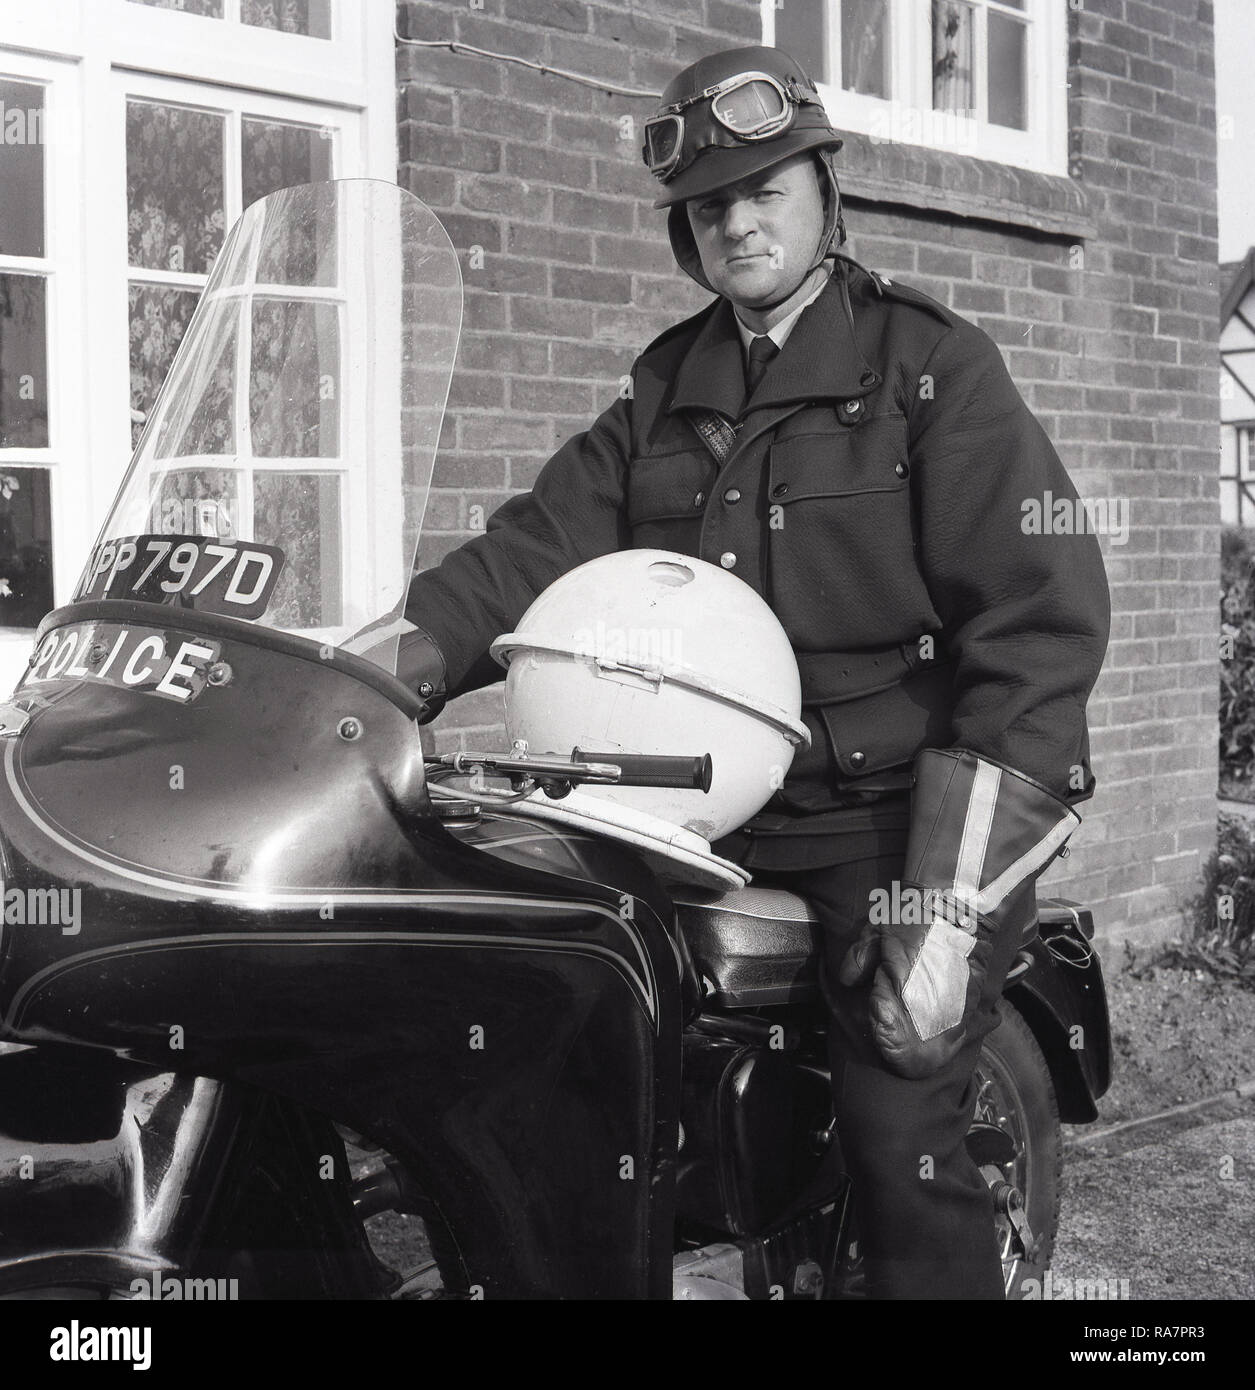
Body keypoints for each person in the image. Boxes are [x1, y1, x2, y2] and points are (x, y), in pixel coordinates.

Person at [400, 45, 1110, 1299]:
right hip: (687, 816)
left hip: (886, 824)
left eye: (764, 187)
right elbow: (535, 543)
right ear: (687, 233)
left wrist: (944, 908)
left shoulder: (929, 369)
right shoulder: (668, 385)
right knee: (542, 1042)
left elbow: (1038, 622)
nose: (737, 219)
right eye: (710, 204)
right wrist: (397, 659)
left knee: (903, 1120)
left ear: (824, 193)